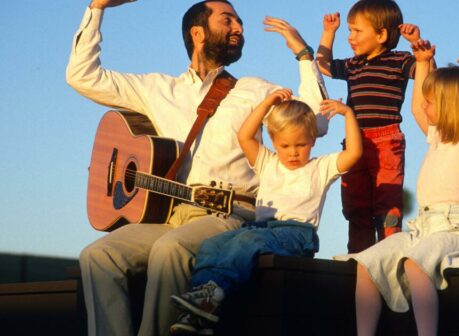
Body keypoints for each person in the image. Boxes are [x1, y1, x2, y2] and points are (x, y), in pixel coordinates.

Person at [66, 0, 328, 335]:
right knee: (98, 256)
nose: (239, 28)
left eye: (239, 22)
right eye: (228, 20)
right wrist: (97, 8)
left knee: (170, 249)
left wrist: (304, 55)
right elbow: (81, 76)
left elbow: (315, 121)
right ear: (197, 33)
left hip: (232, 214)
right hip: (173, 215)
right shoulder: (158, 89)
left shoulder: (254, 89)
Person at [168, 90, 362, 334]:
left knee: (249, 241)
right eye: (285, 145)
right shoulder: (267, 162)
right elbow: (244, 135)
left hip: (296, 233)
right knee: (212, 245)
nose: (293, 152)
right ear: (272, 140)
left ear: (313, 139)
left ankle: (213, 292)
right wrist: (267, 103)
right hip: (262, 228)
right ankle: (201, 308)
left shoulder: (320, 167)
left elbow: (354, 153)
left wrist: (348, 114)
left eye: (301, 145)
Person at [348, 39, 459, 336]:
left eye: (432, 101)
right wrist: (421, 63)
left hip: (453, 229)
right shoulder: (436, 137)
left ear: (450, 104)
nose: (424, 105)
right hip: (422, 228)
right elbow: (418, 108)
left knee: (415, 265)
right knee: (367, 262)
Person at [316, 0, 426, 253]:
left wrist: (420, 51)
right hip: (355, 143)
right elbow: (322, 65)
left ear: (381, 34)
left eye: (357, 30)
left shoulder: (400, 60)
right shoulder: (353, 65)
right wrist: (328, 33)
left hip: (387, 139)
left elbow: (427, 80)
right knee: (356, 204)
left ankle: (389, 254)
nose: (351, 37)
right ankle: (359, 258)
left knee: (387, 204)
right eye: (349, 30)